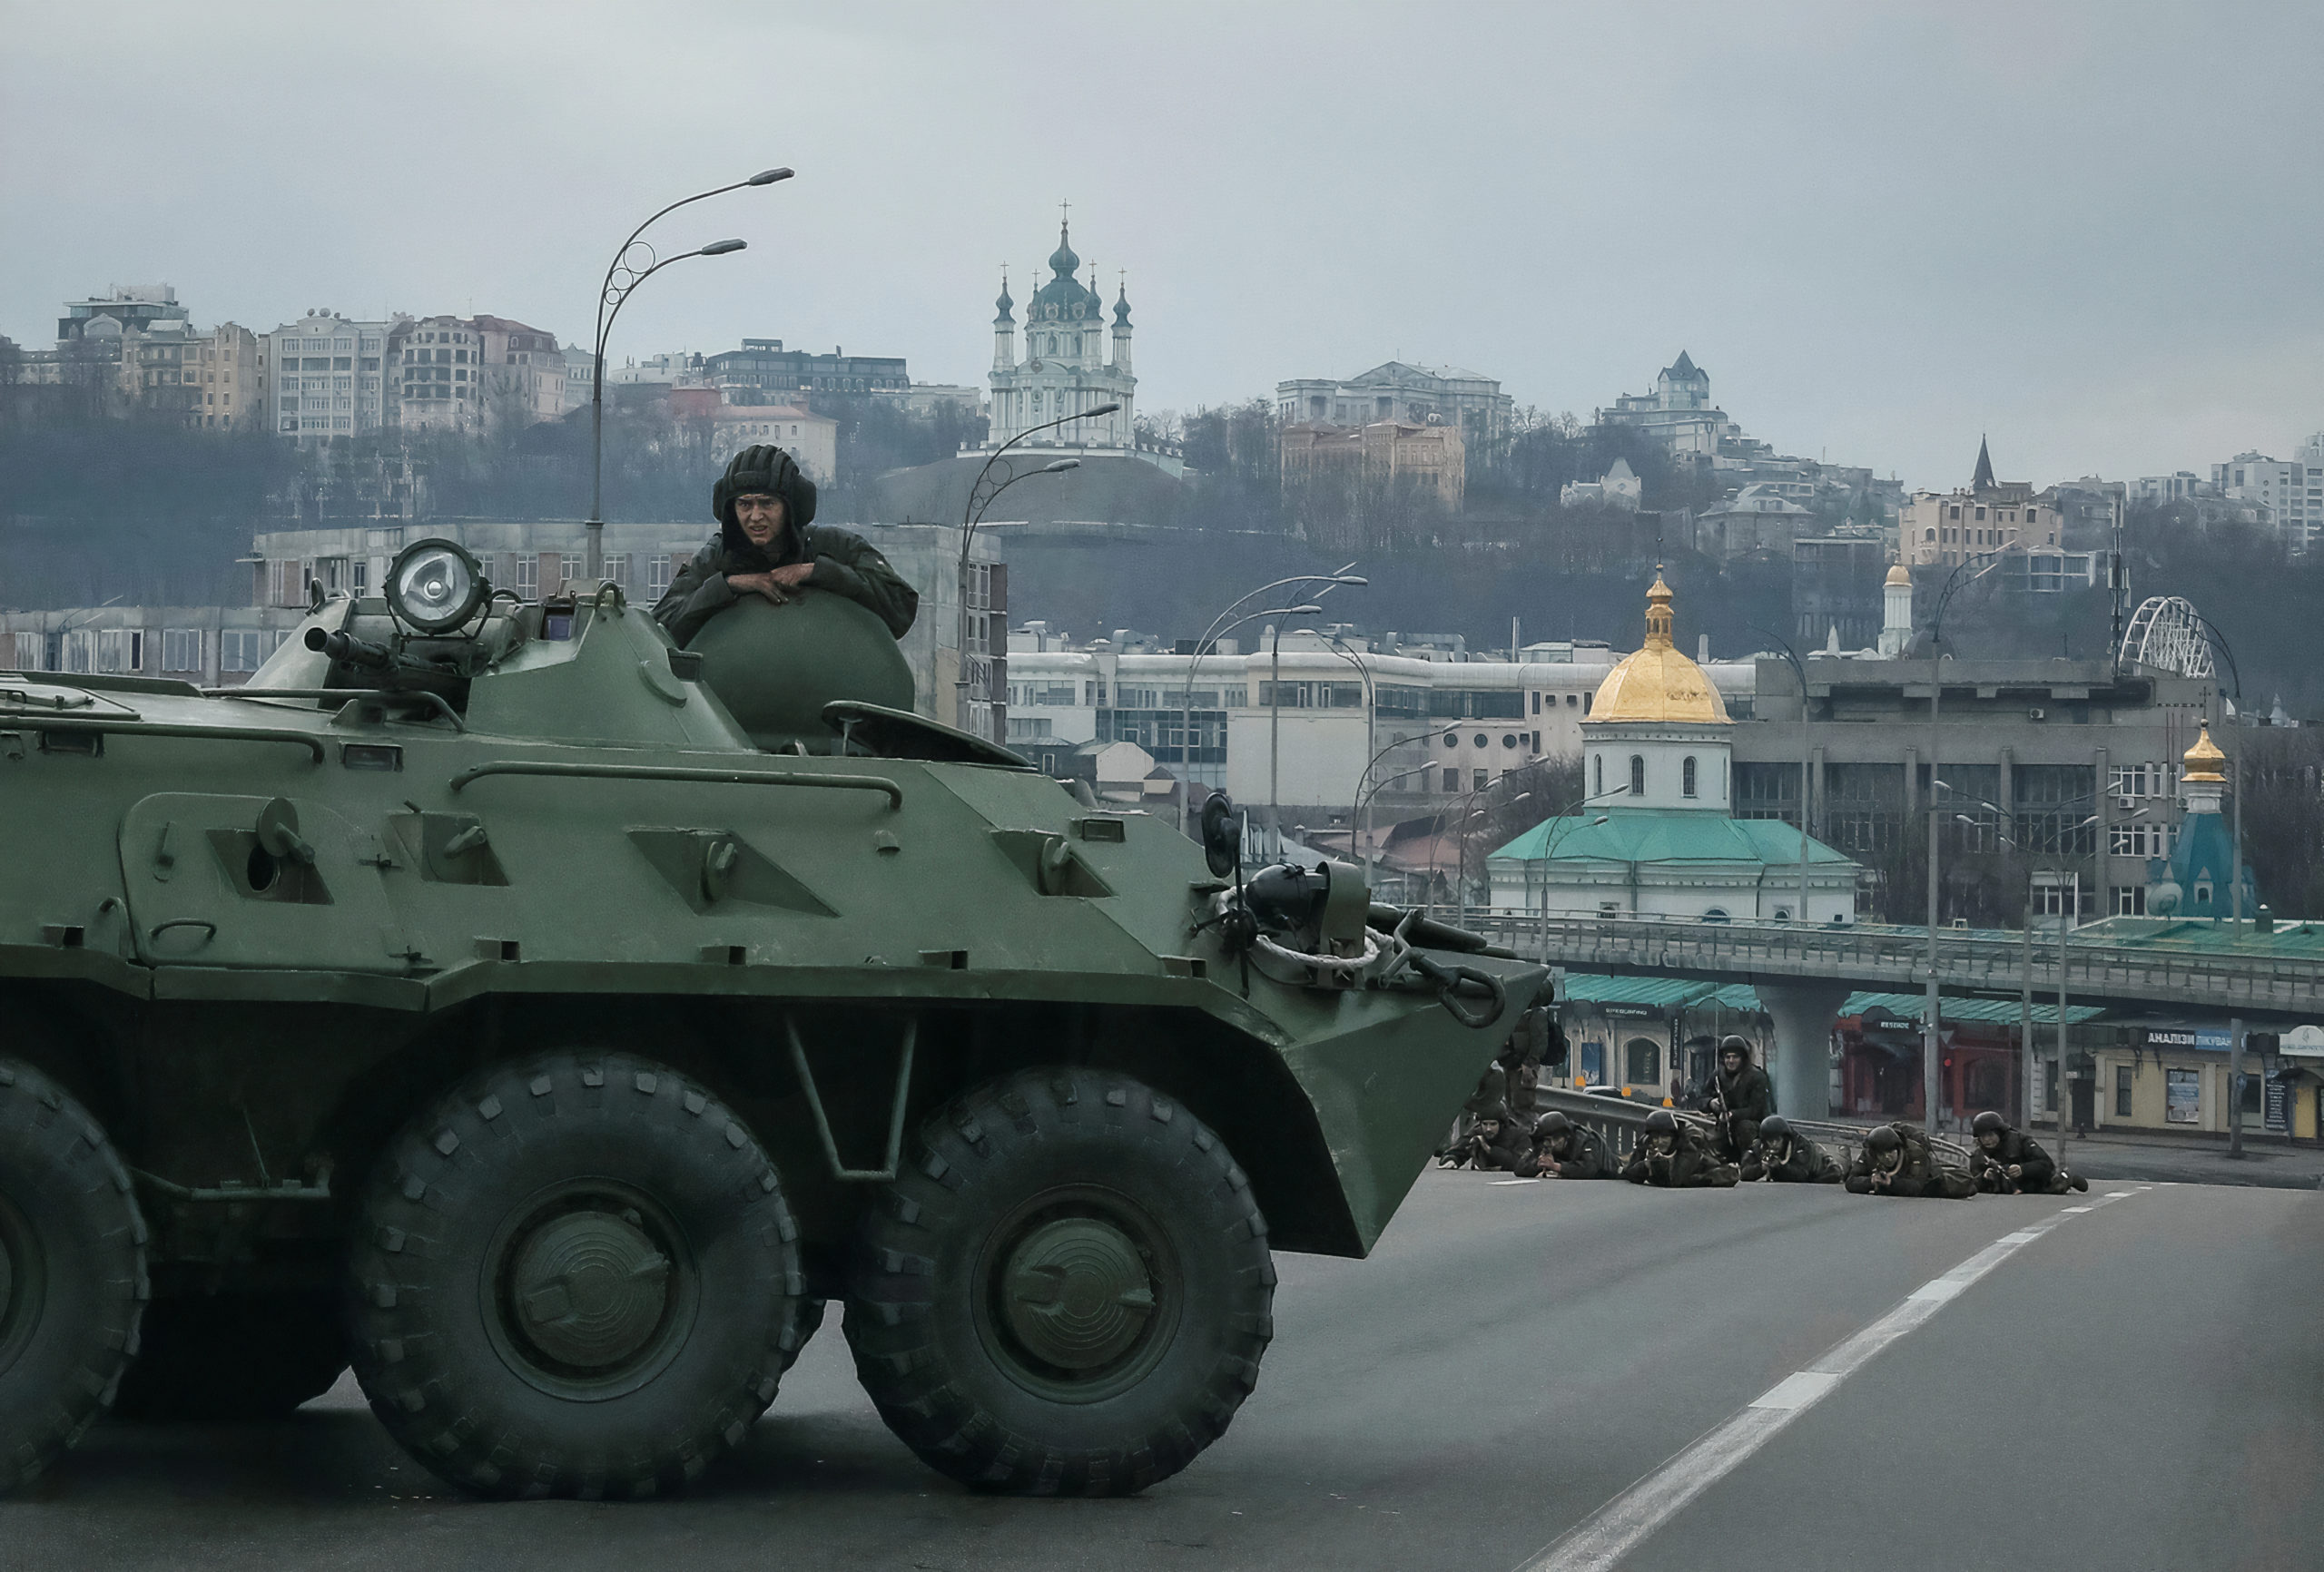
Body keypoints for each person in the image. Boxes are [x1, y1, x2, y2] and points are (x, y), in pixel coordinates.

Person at [654, 445, 919, 648]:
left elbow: (900, 608)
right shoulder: (717, 557)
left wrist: (818, 572)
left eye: (767, 503)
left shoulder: (833, 546)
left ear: (790, 507)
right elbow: (659, 628)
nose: (755, 516)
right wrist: (729, 585)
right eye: (745, 505)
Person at [1969, 1109, 2090, 1194]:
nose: (1987, 1140)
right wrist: (1984, 1177)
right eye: (1982, 1136)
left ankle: (2068, 1178)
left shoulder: (2020, 1141)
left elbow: (2046, 1164)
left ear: (1999, 1132)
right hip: (2005, 1189)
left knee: (2056, 1186)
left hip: (2033, 1182)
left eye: (1990, 1135)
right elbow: (1970, 1183)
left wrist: (2023, 1169)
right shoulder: (1979, 1155)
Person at [1844, 1122, 1977, 1198]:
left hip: (1926, 1176)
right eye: (1882, 1154)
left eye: (1891, 1152)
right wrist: (1870, 1181)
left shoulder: (1915, 1152)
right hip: (1897, 1179)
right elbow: (1850, 1181)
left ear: (1898, 1148)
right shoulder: (1869, 1154)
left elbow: (1916, 1186)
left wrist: (1891, 1182)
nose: (1887, 1157)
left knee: (1941, 1185)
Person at [1620, 1108, 1739, 1189]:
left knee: (1694, 1179)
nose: (1660, 1142)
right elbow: (1629, 1172)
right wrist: (1644, 1165)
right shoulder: (1647, 1140)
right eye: (1656, 1137)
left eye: (1665, 1137)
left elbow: (1676, 1180)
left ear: (1673, 1136)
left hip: (1703, 1160)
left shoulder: (1688, 1141)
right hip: (1673, 1164)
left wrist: (1654, 1164)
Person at [1708, 1037, 1772, 1163]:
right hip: (1724, 1126)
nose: (1731, 1061)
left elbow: (1757, 1109)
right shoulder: (1717, 1075)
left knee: (1745, 1128)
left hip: (1751, 1127)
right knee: (1709, 1146)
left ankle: (1749, 1162)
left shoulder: (1757, 1077)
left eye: (1735, 1057)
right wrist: (1710, 1103)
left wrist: (1733, 1114)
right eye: (1728, 1057)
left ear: (1743, 1058)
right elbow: (1702, 1096)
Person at [1515, 1111, 1618, 1180]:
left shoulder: (1585, 1139)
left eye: (1556, 1139)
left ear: (1565, 1136)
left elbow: (1590, 1169)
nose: (1552, 1144)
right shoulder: (1544, 1144)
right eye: (1547, 1140)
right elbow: (1520, 1168)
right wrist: (1540, 1163)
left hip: (1608, 1173)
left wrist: (1556, 1166)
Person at [1748, 1115, 1844, 1184]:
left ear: (1785, 1138)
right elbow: (1745, 1172)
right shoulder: (1759, 1145)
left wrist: (1780, 1166)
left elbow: (1801, 1174)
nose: (1774, 1144)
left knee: (1838, 1171)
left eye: (1777, 1140)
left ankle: (1844, 1152)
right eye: (1770, 1141)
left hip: (1824, 1163)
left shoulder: (1801, 1146)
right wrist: (1760, 1168)